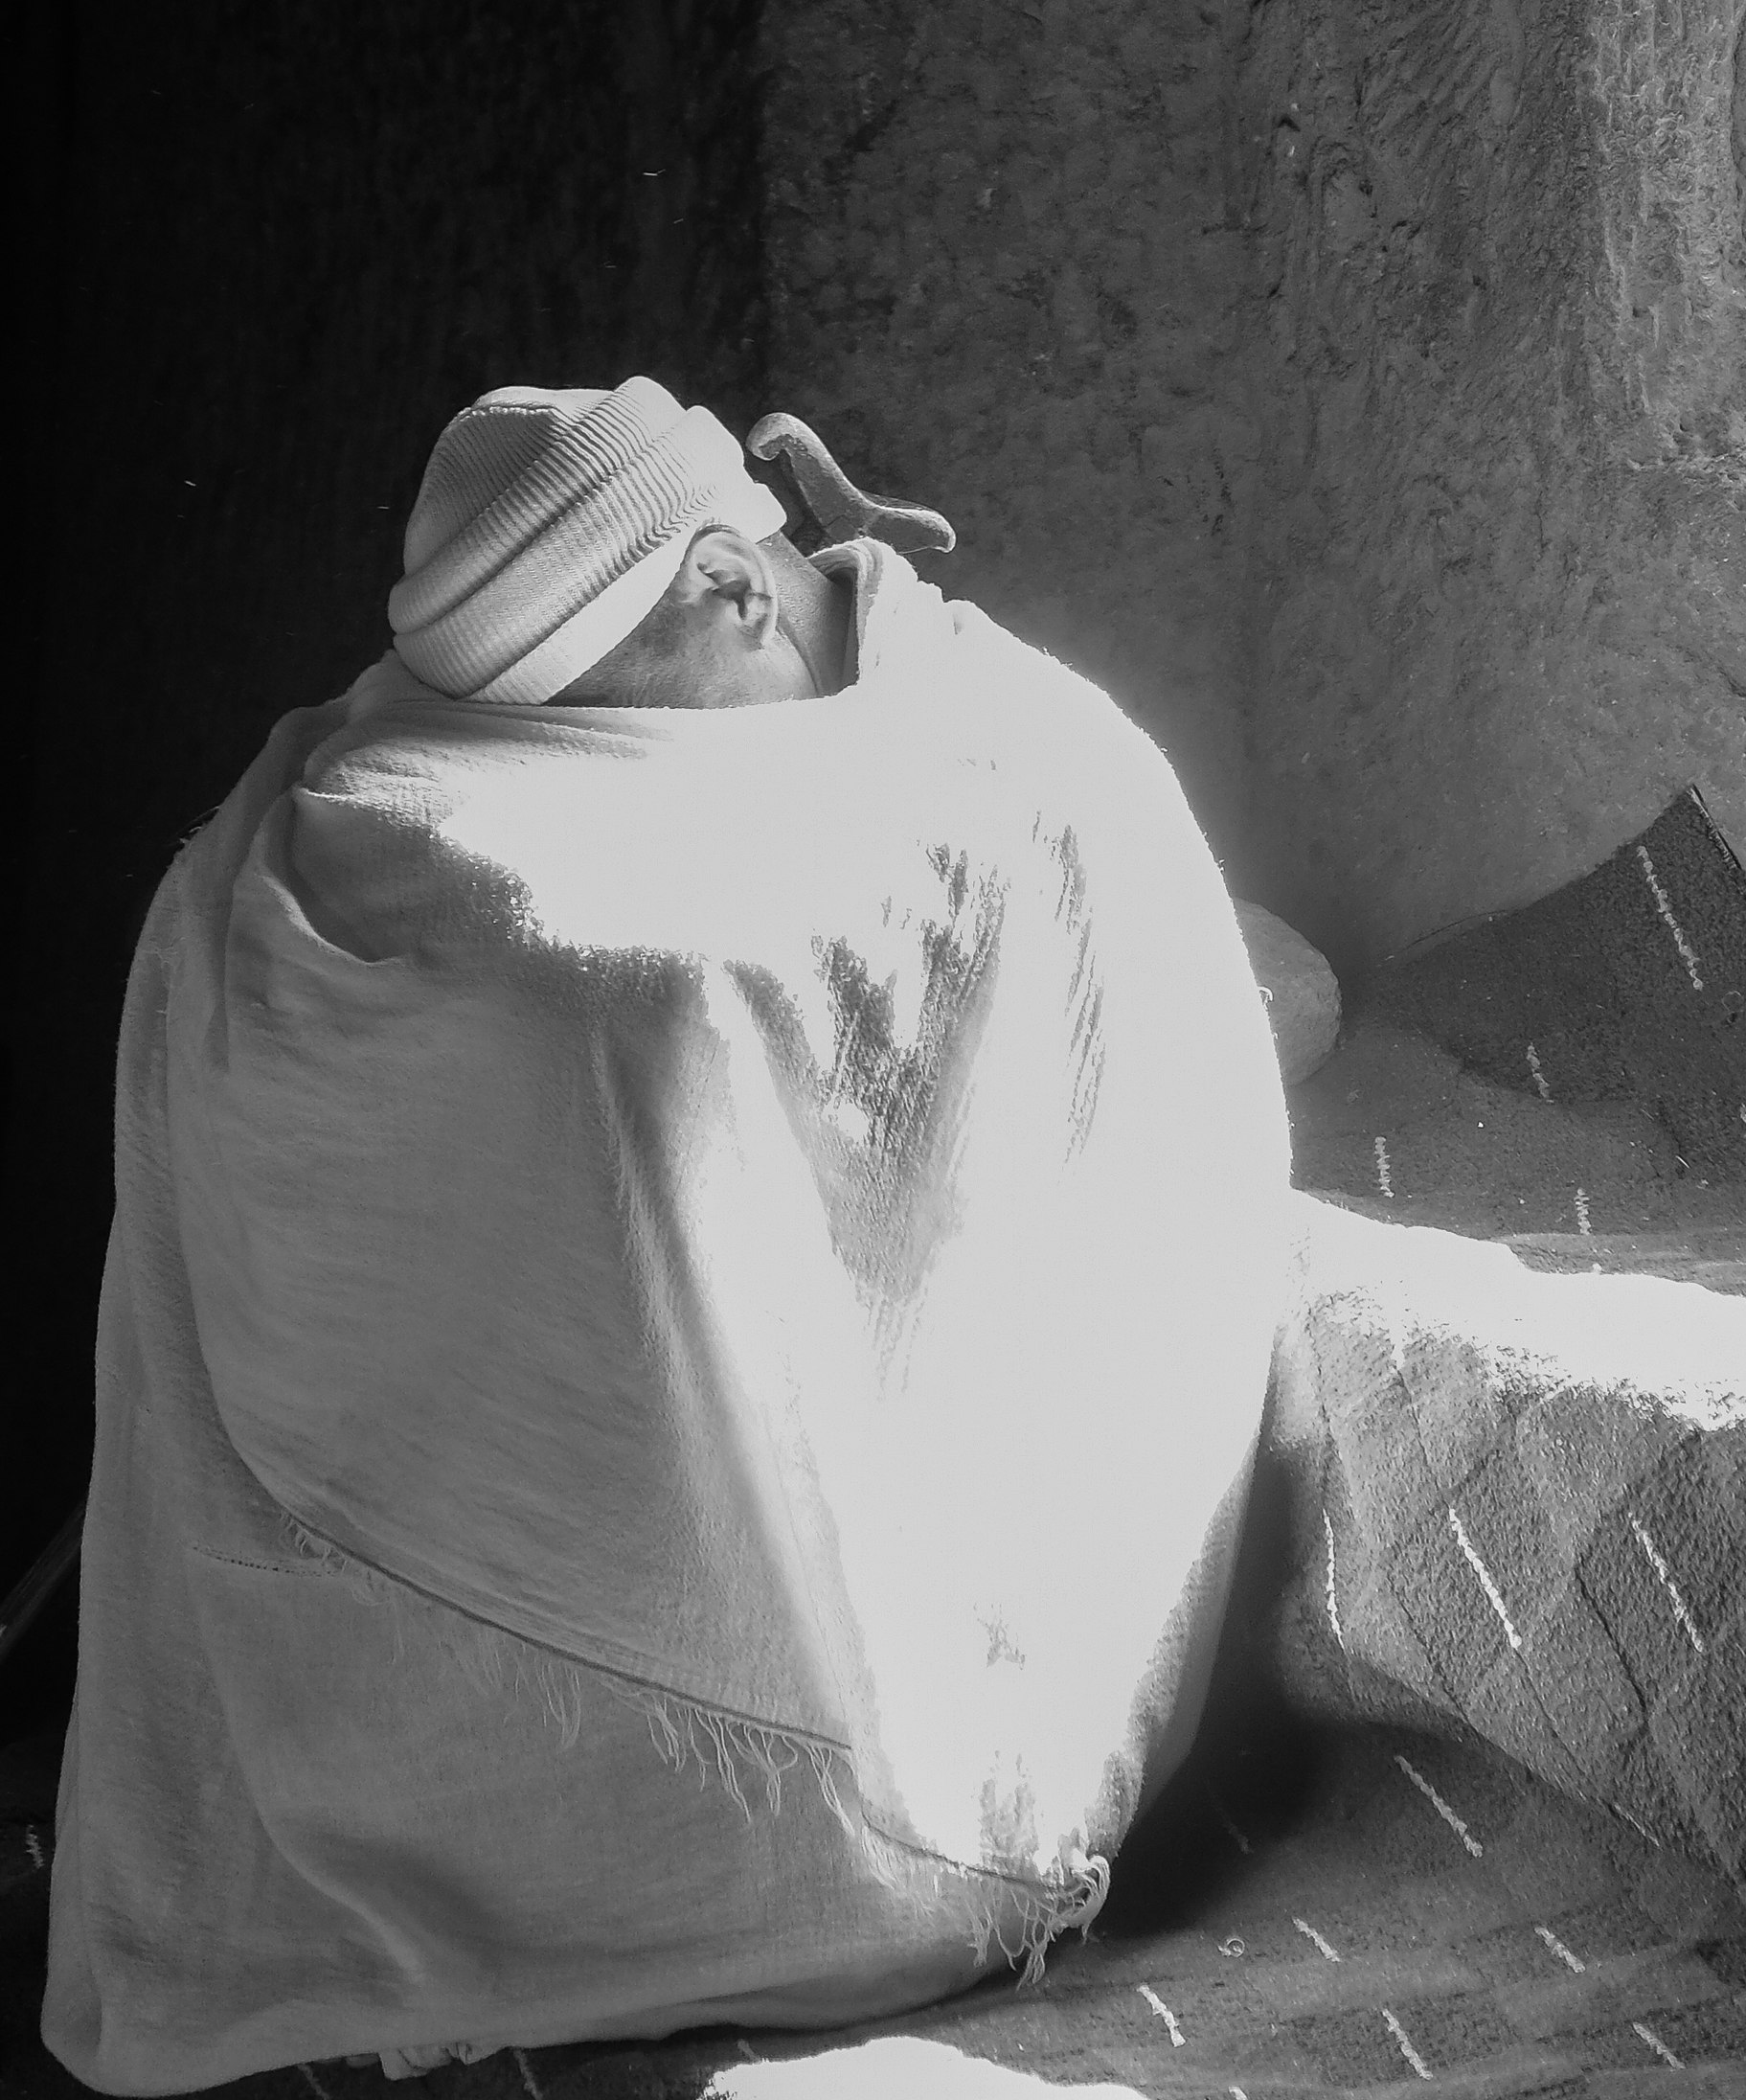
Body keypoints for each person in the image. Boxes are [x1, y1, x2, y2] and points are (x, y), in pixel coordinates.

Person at [47, 381, 1293, 2095]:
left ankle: (738, 1833)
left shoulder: (1020, 759)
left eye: (603, 713)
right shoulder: (432, 751)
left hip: (866, 1713)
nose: (578, 763)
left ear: (729, 586)